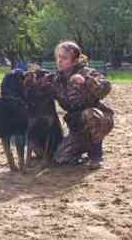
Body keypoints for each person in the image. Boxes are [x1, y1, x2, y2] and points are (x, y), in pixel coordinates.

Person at [44, 40, 114, 169]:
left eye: (64, 58)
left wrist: (86, 81)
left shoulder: (87, 72)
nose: (59, 61)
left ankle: (96, 155)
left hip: (98, 118)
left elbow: (106, 88)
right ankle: (84, 147)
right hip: (77, 125)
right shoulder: (56, 80)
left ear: (75, 61)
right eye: (58, 57)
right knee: (61, 158)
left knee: (91, 114)